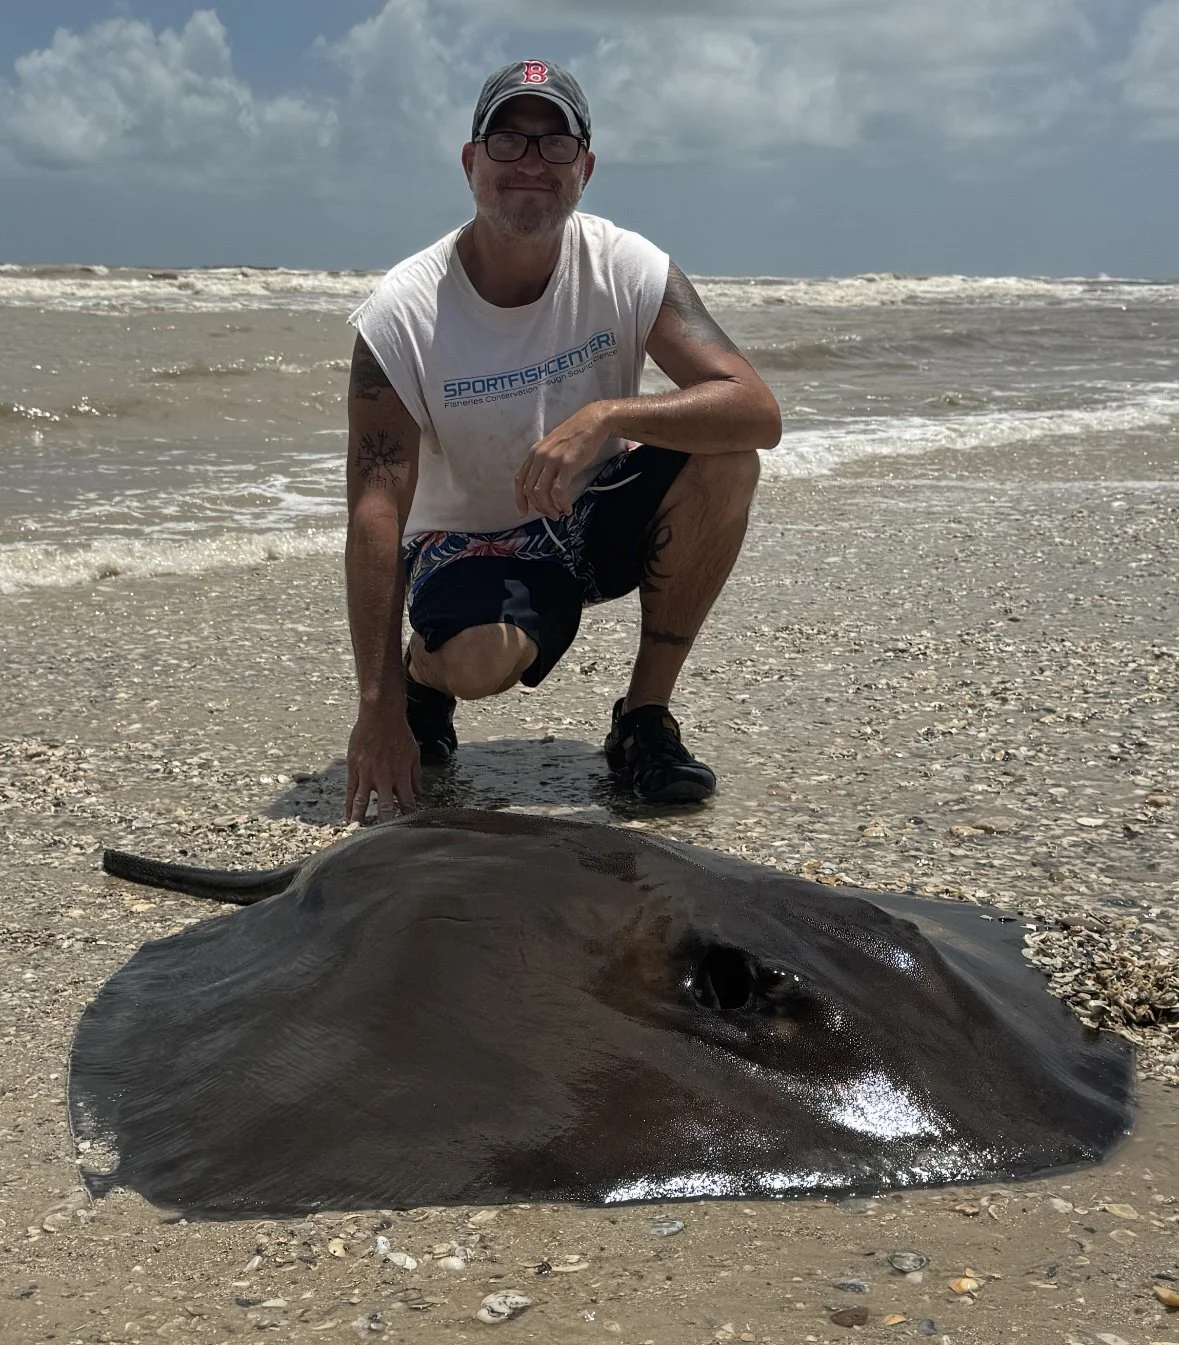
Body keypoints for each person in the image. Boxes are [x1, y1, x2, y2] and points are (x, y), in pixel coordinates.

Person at [344, 59, 781, 822]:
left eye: (554, 145)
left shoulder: (626, 267)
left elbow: (754, 410)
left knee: (725, 457)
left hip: (590, 510)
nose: (531, 165)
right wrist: (379, 706)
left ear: (585, 167)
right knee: (482, 664)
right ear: (470, 161)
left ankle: (644, 718)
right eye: (508, 142)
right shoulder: (400, 315)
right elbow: (375, 508)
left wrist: (608, 417)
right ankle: (425, 676)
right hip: (469, 538)